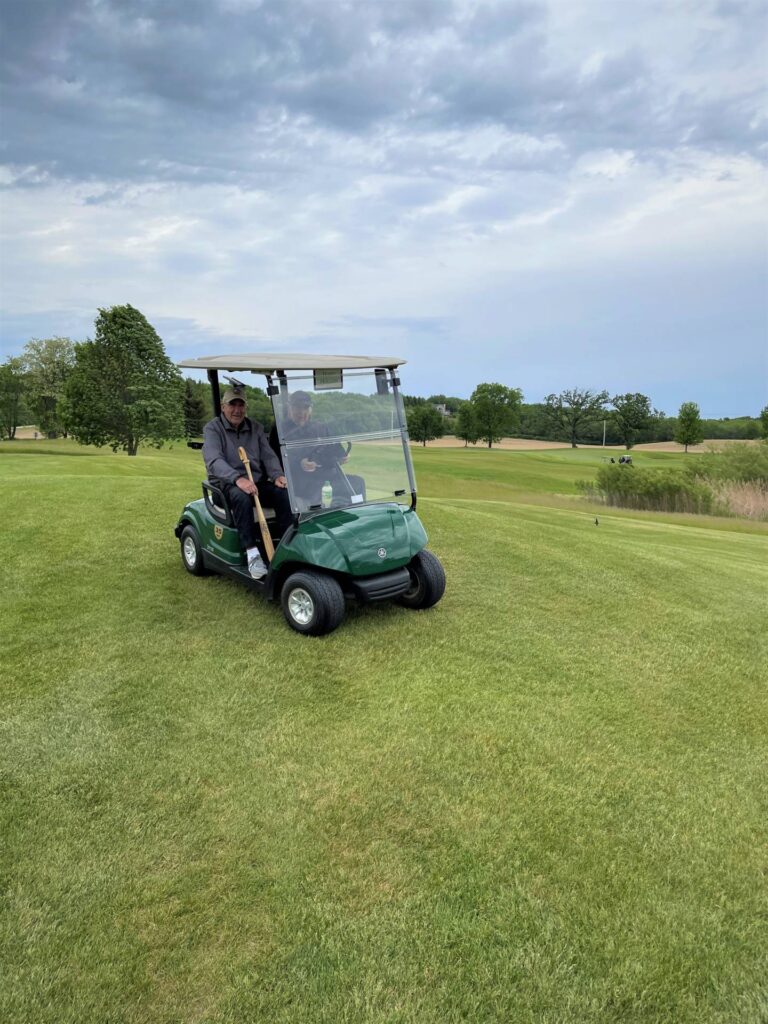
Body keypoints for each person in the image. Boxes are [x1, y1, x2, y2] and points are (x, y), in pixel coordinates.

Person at [203, 387, 292, 578]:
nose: (237, 410)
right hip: (226, 485)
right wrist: (237, 479)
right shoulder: (213, 429)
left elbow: (268, 455)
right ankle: (252, 554)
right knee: (241, 498)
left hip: (256, 483)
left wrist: (277, 475)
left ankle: (286, 547)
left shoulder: (255, 428)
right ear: (223, 407)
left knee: (284, 494)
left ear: (246, 407)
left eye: (241, 405)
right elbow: (214, 461)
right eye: (232, 404)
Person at [269, 391, 365, 508]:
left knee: (358, 483)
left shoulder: (320, 427)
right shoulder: (280, 429)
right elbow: (273, 461)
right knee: (321, 493)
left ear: (311, 409)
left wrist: (342, 457)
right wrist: (300, 463)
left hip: (325, 477)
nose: (301, 412)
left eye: (305, 408)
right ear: (290, 408)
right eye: (297, 408)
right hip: (299, 480)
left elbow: (335, 449)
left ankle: (358, 518)